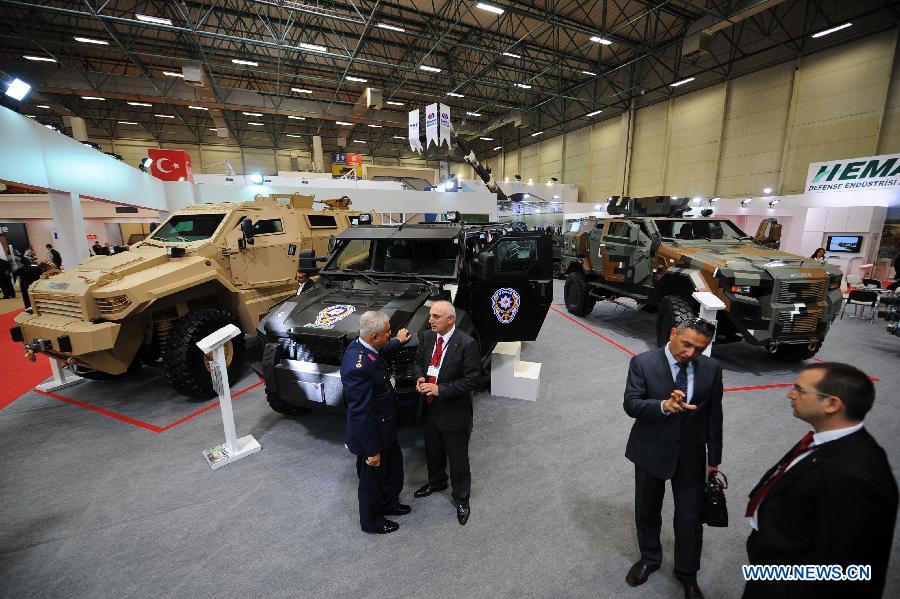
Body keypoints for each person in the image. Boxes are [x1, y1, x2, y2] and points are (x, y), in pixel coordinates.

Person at [742, 363, 898, 599]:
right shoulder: (824, 441)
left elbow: (842, 573)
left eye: (800, 390)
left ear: (832, 404)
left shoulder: (857, 477)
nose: (790, 393)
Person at [623, 318, 723, 599]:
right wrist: (664, 406)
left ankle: (687, 573)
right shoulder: (643, 362)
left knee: (690, 517)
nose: (690, 353)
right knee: (647, 509)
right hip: (650, 449)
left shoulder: (713, 369)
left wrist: (713, 457)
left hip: (691, 454)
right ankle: (649, 559)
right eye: (686, 344)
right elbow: (631, 403)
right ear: (673, 334)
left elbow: (715, 416)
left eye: (699, 349)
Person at [340, 311, 411, 534]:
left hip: (386, 428)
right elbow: (361, 413)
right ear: (373, 337)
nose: (391, 335)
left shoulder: (365, 348)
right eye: (387, 333)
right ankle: (372, 522)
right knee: (371, 480)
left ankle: (389, 504)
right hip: (372, 434)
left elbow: (378, 355)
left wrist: (398, 341)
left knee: (393, 468)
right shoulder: (357, 367)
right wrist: (371, 450)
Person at [412, 300, 481, 526]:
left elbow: (472, 380)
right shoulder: (426, 337)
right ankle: (436, 481)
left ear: (450, 319)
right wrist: (419, 378)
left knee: (458, 458)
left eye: (435, 317)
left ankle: (462, 498)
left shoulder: (467, 344)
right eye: (430, 316)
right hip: (429, 408)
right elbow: (417, 364)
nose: (430, 320)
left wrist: (441, 389)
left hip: (454, 411)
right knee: (433, 451)